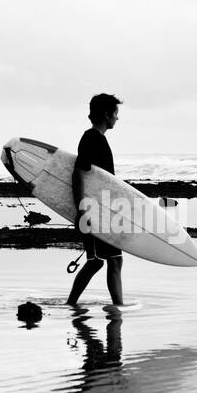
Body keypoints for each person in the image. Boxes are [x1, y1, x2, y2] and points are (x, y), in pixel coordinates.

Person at [66, 93, 127, 306]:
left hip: (102, 210)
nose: (117, 118)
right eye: (115, 114)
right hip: (94, 211)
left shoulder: (97, 139)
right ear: (106, 114)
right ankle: (117, 309)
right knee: (110, 260)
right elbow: (78, 174)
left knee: (97, 262)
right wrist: (82, 210)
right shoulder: (92, 138)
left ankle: (71, 304)